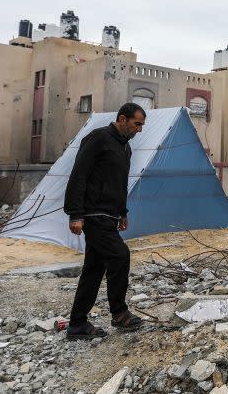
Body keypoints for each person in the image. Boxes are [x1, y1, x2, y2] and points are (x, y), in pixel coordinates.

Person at [64, 103, 146, 339]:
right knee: (120, 255)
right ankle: (119, 313)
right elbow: (79, 174)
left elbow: (119, 183)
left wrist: (123, 212)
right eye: (136, 124)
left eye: (142, 125)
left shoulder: (125, 148)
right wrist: (75, 213)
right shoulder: (98, 138)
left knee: (93, 270)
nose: (139, 130)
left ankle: (77, 325)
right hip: (93, 214)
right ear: (122, 119)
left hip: (109, 216)